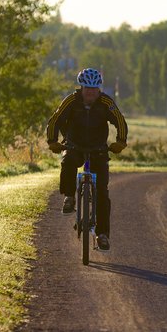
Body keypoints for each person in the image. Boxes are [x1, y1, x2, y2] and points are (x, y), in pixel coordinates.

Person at [46, 68, 128, 251]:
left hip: (98, 148)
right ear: (81, 87)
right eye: (87, 88)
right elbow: (55, 120)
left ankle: (103, 234)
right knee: (67, 162)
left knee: (102, 193)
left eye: (94, 88)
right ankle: (69, 197)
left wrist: (121, 142)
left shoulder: (106, 102)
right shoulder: (71, 101)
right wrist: (52, 141)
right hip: (74, 145)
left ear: (99, 88)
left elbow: (120, 121)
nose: (90, 92)